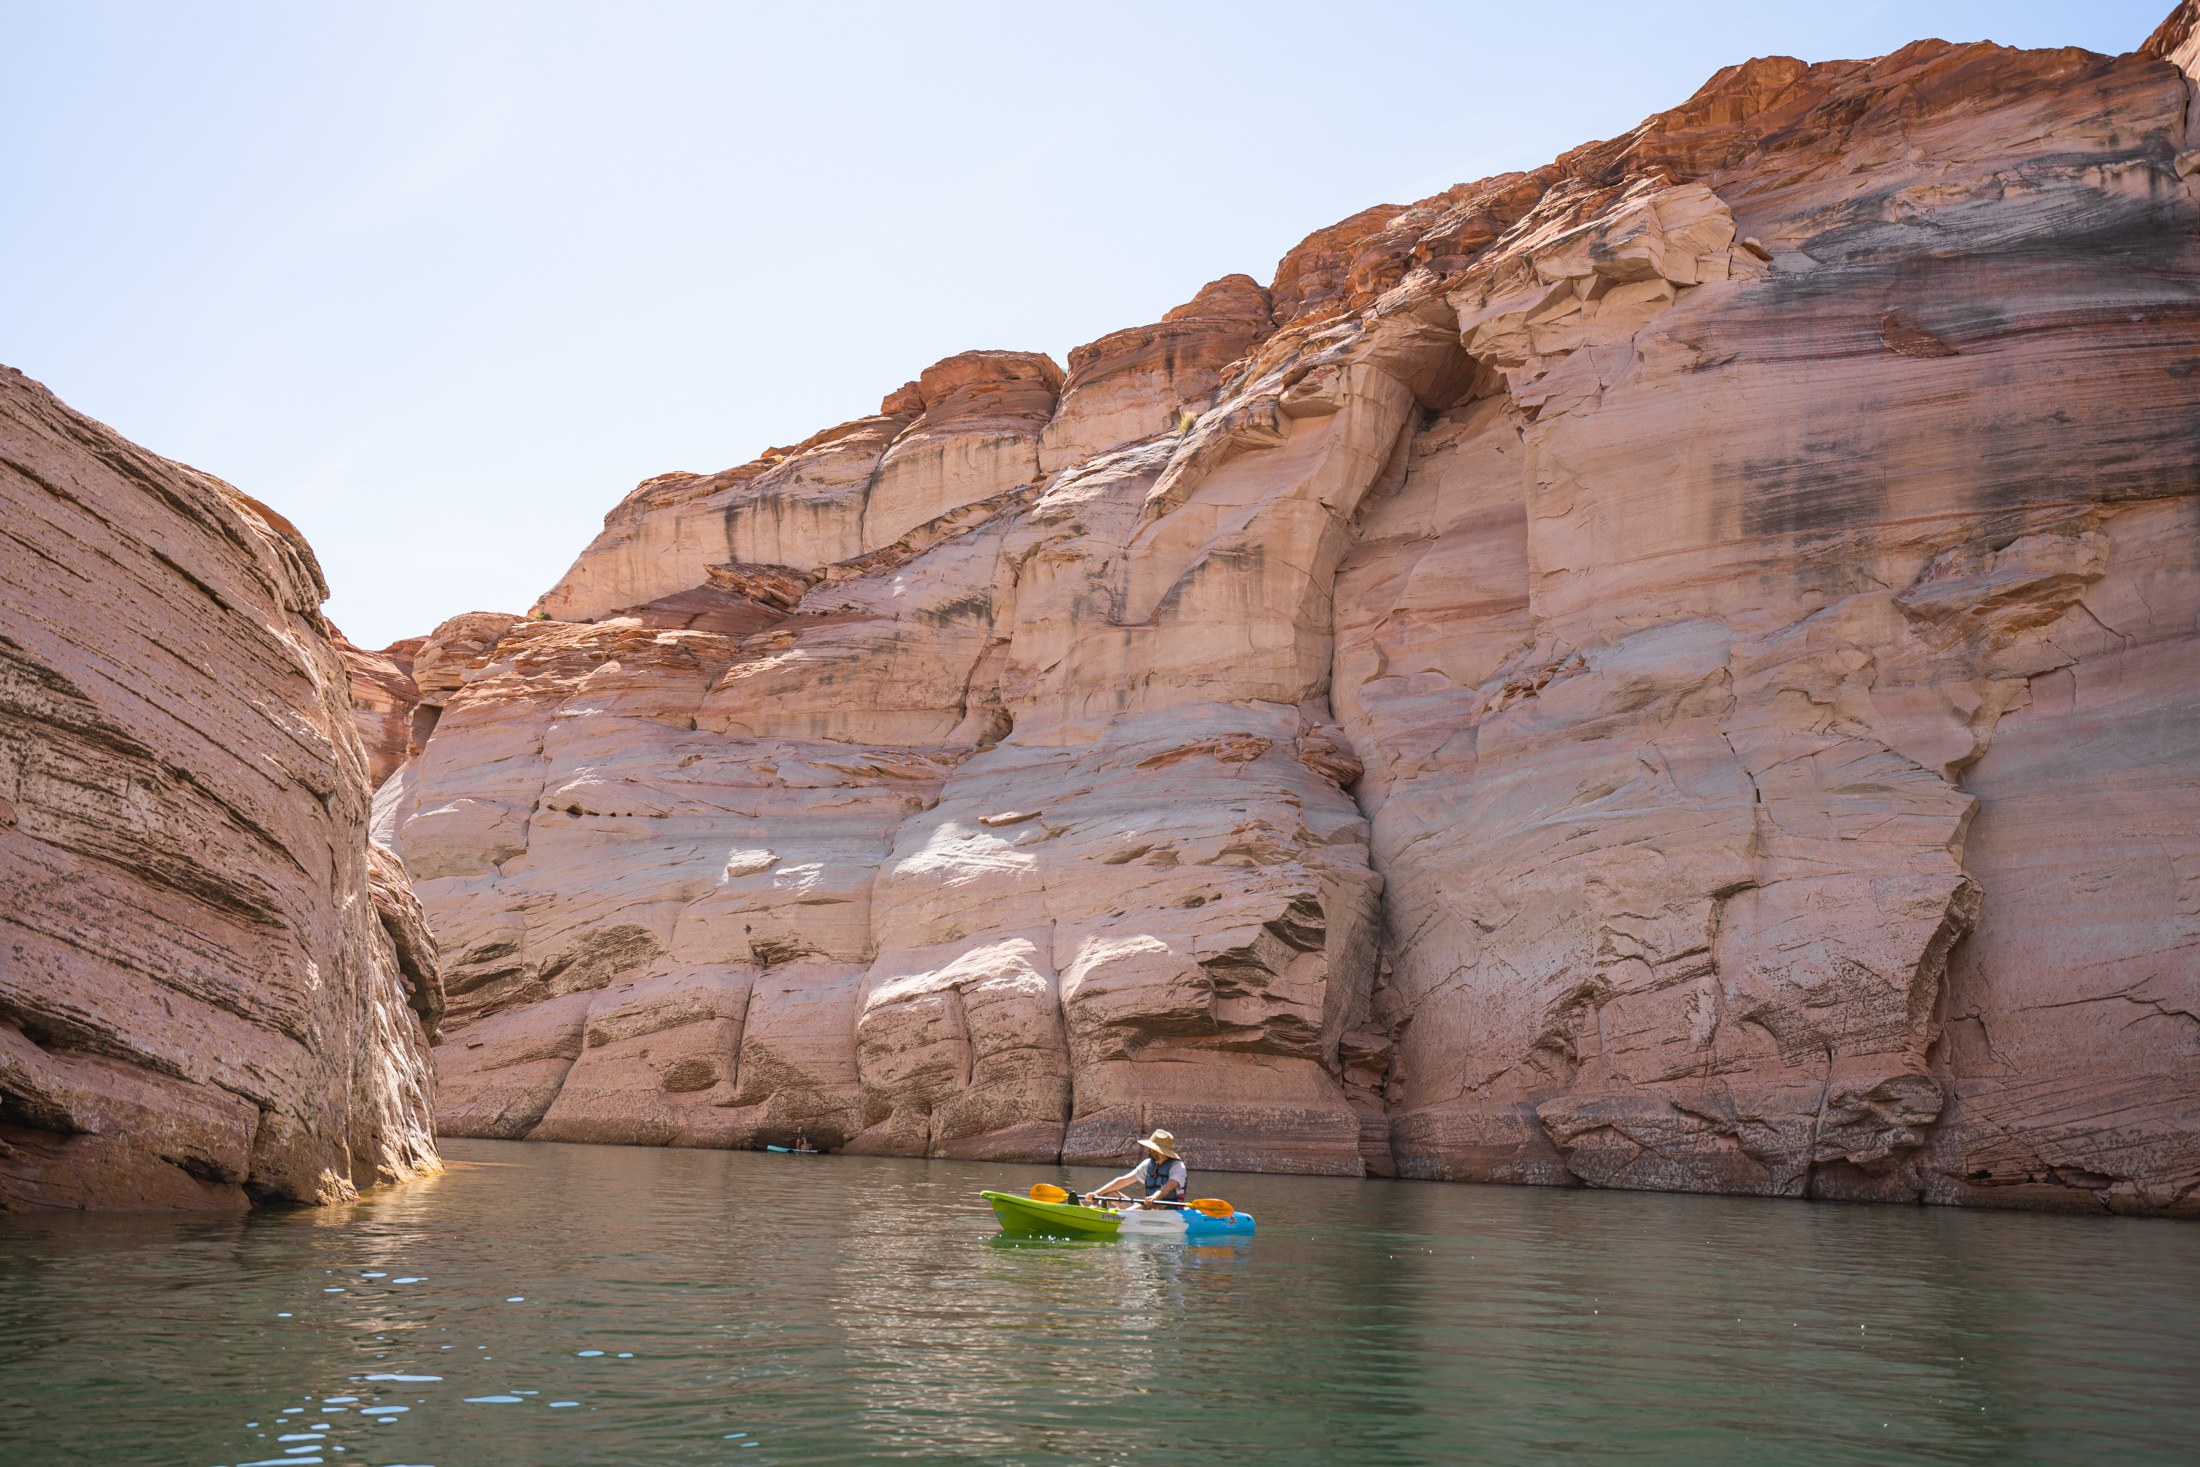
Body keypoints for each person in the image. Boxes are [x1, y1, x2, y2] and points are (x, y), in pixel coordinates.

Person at [1087, 1129, 1186, 1211]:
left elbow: (1169, 1186)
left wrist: (1154, 1197)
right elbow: (1123, 1180)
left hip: (1169, 1211)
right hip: (1148, 1208)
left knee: (1142, 1206)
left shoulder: (1178, 1166)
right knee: (1109, 1194)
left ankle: (1113, 1219)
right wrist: (1097, 1193)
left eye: (1151, 1149)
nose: (1148, 1150)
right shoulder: (1148, 1164)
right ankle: (1095, 1211)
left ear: (1158, 1151)